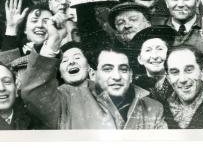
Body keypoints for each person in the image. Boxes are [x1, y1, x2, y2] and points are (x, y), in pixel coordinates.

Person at [21, 16, 167, 129]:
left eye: (123, 69)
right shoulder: (68, 99)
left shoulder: (153, 108)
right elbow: (34, 93)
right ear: (93, 74)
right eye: (107, 69)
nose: (116, 76)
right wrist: (53, 41)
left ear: (131, 75)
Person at [164, 45, 203, 128]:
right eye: (175, 72)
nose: (182, 79)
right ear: (168, 78)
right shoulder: (158, 111)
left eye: (189, 70)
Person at [131, 25, 176, 103]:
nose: (154, 56)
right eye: (148, 50)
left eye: (160, 49)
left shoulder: (178, 82)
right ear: (140, 59)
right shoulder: (135, 89)